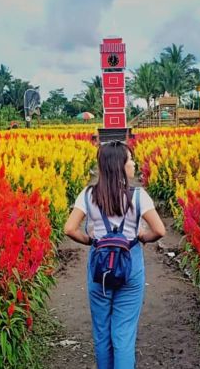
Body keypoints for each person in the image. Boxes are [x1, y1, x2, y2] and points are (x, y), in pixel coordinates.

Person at [64, 140, 166, 369]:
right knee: (123, 334)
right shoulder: (139, 196)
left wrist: (92, 240)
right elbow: (159, 230)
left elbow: (69, 229)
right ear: (119, 165)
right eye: (130, 160)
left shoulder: (88, 194)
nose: (134, 164)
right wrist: (142, 237)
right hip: (130, 265)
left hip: (99, 268)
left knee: (102, 333)